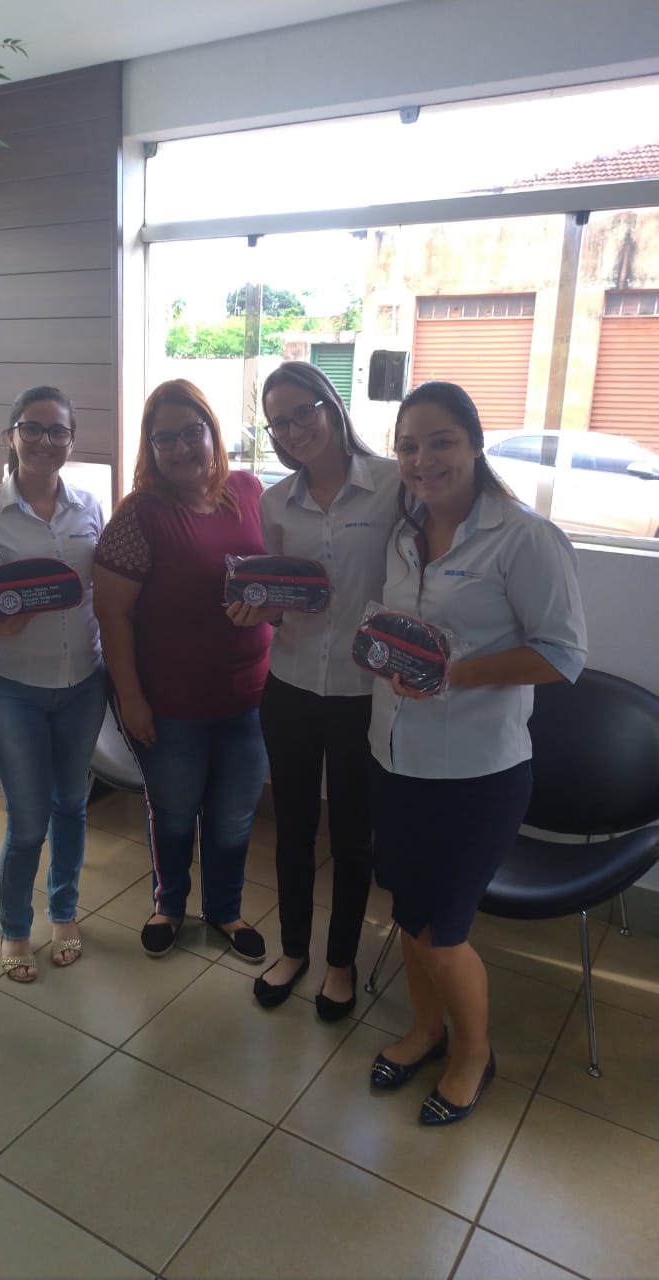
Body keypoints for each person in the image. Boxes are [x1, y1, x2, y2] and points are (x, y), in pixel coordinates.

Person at [367, 380, 586, 1125]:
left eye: (440, 442)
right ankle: (425, 1030)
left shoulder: (524, 538)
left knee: (443, 932)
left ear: (474, 444)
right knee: (409, 916)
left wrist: (452, 674)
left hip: (476, 773)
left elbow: (561, 655)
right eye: (408, 446)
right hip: (393, 756)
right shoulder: (403, 532)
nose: (421, 460)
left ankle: (472, 1055)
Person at [228, 361, 400, 1019]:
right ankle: (294, 950)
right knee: (293, 828)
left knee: (353, 835)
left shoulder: (391, 485)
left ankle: (340, 963)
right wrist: (254, 609)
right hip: (293, 684)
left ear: (331, 405)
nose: (295, 429)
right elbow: (279, 602)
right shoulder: (275, 503)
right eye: (279, 422)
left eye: (304, 412)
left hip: (364, 689)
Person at [92, 380, 270, 961]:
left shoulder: (249, 491)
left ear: (211, 432)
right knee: (173, 814)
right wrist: (131, 698)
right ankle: (169, 904)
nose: (180, 447)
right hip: (170, 704)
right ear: (150, 447)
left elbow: (277, 580)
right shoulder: (139, 515)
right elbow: (112, 614)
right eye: (163, 438)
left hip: (251, 697)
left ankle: (225, 910)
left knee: (233, 818)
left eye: (191, 432)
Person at [0, 386, 106, 982]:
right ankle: (14, 926)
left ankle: (63, 912)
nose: (46, 440)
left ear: (71, 440)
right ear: (11, 435)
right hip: (10, 685)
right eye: (32, 428)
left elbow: (101, 592)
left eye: (58, 431)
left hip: (83, 681)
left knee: (71, 804)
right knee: (28, 818)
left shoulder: (90, 507)